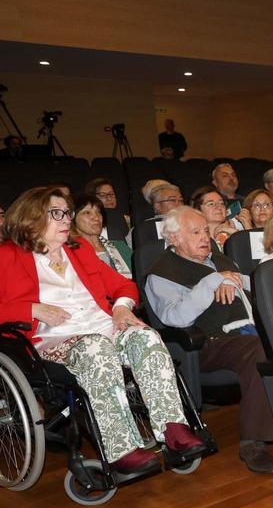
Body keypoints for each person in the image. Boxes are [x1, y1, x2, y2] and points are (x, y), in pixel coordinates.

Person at [0, 187, 206, 473]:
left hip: (102, 328)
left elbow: (124, 285)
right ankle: (122, 448)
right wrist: (32, 310)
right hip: (53, 340)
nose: (66, 220)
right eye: (56, 214)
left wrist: (122, 307)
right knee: (95, 348)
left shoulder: (79, 249)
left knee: (146, 337)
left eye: (67, 214)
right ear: (31, 217)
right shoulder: (7, 256)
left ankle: (173, 428)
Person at [144, 207, 273, 474]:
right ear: (174, 238)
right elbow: (175, 317)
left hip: (247, 331)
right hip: (206, 344)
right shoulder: (161, 273)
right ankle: (253, 442)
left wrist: (236, 279)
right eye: (195, 232)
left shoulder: (220, 259)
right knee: (259, 350)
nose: (205, 237)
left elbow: (254, 288)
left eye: (206, 230)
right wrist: (212, 282)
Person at [72, 194, 132, 278]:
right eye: (87, 212)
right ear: (72, 218)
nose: (96, 217)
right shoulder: (71, 254)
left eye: (98, 212)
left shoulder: (120, 247)